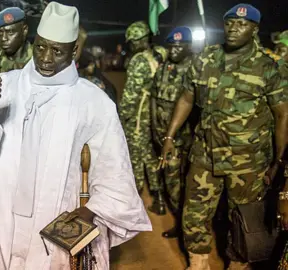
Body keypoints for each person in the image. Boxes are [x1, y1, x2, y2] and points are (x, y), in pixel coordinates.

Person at [0, 2, 150, 269]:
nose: (46, 58)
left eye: (57, 51)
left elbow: (114, 170)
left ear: (74, 50)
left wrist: (90, 211)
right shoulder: (5, 83)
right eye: (40, 47)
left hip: (54, 218)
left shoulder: (93, 101)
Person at [159, 4, 288, 269]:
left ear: (254, 29)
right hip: (204, 154)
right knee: (194, 212)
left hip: (248, 161)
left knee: (241, 217)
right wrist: (170, 138)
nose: (233, 28)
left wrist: (278, 161)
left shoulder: (269, 65)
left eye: (242, 24)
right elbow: (186, 97)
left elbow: (282, 115)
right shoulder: (206, 58)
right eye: (229, 23)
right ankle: (198, 262)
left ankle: (237, 263)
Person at [119, 21, 166, 215]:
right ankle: (159, 197)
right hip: (157, 116)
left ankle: (134, 202)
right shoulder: (159, 54)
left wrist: (121, 119)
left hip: (139, 117)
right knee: (150, 156)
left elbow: (131, 95)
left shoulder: (139, 61)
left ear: (136, 41)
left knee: (135, 158)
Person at [152, 26, 194, 239]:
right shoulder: (163, 68)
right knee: (169, 180)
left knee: (176, 183)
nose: (175, 50)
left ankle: (183, 225)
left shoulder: (193, 69)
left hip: (180, 140)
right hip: (161, 135)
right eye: (172, 46)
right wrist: (153, 127)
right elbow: (154, 98)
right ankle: (181, 221)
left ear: (189, 47)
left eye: (179, 46)